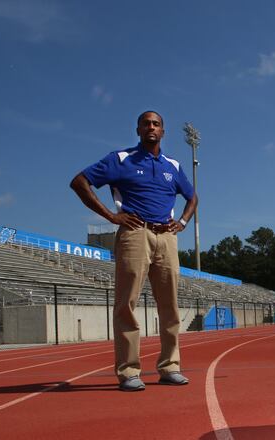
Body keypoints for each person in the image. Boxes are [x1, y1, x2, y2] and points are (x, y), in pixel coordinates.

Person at [70, 110, 198, 391]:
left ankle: (170, 367)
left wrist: (183, 222)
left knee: (170, 306)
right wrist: (111, 216)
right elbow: (79, 182)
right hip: (134, 233)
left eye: (156, 124)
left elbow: (192, 197)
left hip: (166, 235)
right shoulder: (121, 159)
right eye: (146, 124)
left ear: (163, 131)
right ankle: (129, 371)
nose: (151, 127)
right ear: (138, 130)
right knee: (127, 303)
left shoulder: (173, 165)